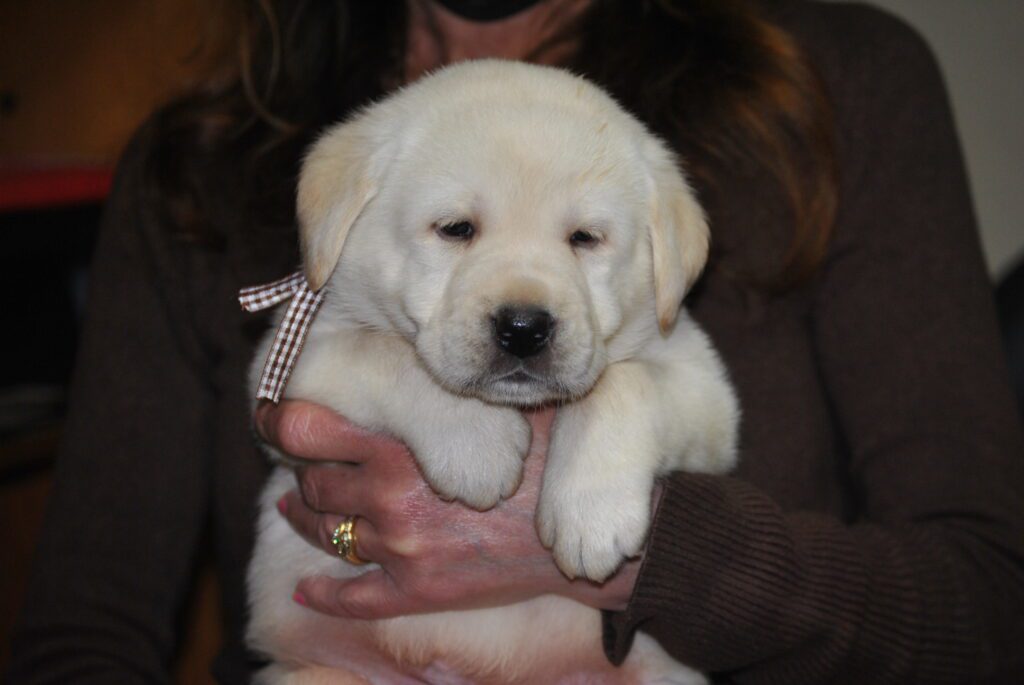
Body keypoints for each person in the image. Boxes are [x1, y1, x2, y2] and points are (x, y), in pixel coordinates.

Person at [9, 0, 1024, 683]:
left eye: (585, 239)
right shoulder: (205, 163)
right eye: (455, 229)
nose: (523, 301)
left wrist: (643, 549)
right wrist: (386, 514)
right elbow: (82, 634)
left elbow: (988, 603)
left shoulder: (841, 83)